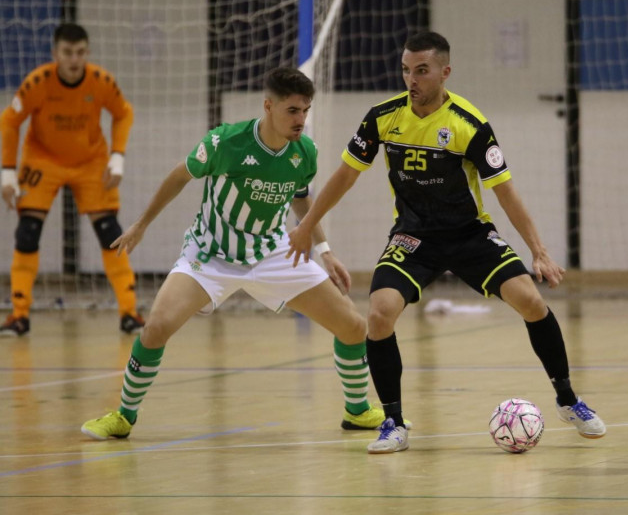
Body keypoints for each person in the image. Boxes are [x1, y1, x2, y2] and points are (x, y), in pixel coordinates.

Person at [287, 31, 606, 453]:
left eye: (421, 70)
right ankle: (393, 424)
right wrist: (308, 225)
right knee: (380, 314)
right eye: (406, 70)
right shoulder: (382, 118)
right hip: (413, 236)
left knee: (530, 300)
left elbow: (505, 191)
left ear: (444, 72)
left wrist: (539, 251)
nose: (411, 79)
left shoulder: (468, 125)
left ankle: (568, 400)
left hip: (470, 234)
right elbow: (344, 175)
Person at [81, 67, 399, 440]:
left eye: (305, 111)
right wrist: (141, 225)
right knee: (156, 328)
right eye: (292, 111)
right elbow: (180, 176)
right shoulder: (225, 142)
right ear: (269, 106)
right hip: (210, 255)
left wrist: (325, 250)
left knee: (353, 325)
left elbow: (300, 199)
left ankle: (358, 410)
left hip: (271, 252)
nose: (301, 120)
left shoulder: (304, 152)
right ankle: (123, 416)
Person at [0, 23, 144, 336]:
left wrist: (117, 157)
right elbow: (9, 122)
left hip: (90, 161)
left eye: (80, 52)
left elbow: (123, 113)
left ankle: (129, 313)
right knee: (27, 232)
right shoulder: (37, 82)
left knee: (110, 232)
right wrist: (8, 173)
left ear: (87, 53)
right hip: (43, 159)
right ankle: (19, 316)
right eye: (67, 52)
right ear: (55, 54)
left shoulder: (101, 81)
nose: (74, 59)